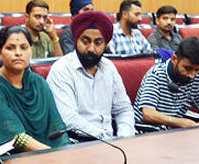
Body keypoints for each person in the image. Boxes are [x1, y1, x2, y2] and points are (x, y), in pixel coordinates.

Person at [0, 26, 69, 152]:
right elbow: (14, 137)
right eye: (10, 48)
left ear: (31, 51)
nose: (18, 53)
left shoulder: (38, 82)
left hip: (48, 156)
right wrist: (51, 155)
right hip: (8, 160)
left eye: (24, 47)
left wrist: (66, 153)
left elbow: (57, 127)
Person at [47, 10, 135, 140]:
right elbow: (69, 119)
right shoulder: (62, 69)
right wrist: (107, 139)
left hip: (113, 143)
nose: (91, 49)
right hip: (79, 142)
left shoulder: (109, 67)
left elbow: (124, 109)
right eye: (85, 41)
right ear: (76, 40)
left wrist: (125, 137)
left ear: (105, 44)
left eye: (98, 43)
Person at [134, 36, 199, 129]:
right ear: (174, 59)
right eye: (187, 68)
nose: (192, 75)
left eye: (197, 70)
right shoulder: (156, 75)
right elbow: (148, 114)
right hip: (146, 131)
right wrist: (180, 122)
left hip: (173, 132)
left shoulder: (196, 77)